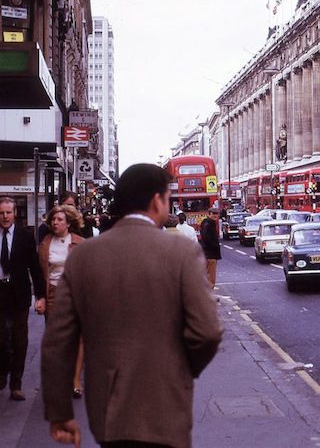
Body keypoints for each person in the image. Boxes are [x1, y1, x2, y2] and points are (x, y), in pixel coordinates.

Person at [41, 163, 223, 447]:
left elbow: (57, 341)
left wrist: (59, 412)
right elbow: (208, 331)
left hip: (108, 409)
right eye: (168, 199)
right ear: (156, 201)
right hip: (166, 404)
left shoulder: (83, 255)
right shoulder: (182, 252)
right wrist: (182, 369)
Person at [0, 197, 45, 401]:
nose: (5, 216)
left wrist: (41, 296)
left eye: (8, 212)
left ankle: (15, 384)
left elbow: (34, 268)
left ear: (15, 213)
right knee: (1, 339)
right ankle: (1, 375)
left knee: (19, 340)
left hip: (19, 294)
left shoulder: (25, 236)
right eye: (1, 213)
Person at [38, 204, 86, 399]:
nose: (55, 222)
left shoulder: (80, 243)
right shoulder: (45, 244)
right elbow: (39, 272)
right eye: (53, 220)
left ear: (68, 223)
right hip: (52, 293)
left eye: (59, 220)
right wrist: (40, 297)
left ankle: (75, 379)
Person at [200, 207, 222, 290]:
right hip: (210, 254)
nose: (215, 215)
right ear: (209, 214)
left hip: (207, 253)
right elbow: (206, 237)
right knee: (211, 277)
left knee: (207, 275)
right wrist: (215, 245)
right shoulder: (209, 223)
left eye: (216, 214)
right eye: (213, 214)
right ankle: (208, 297)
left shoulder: (207, 222)